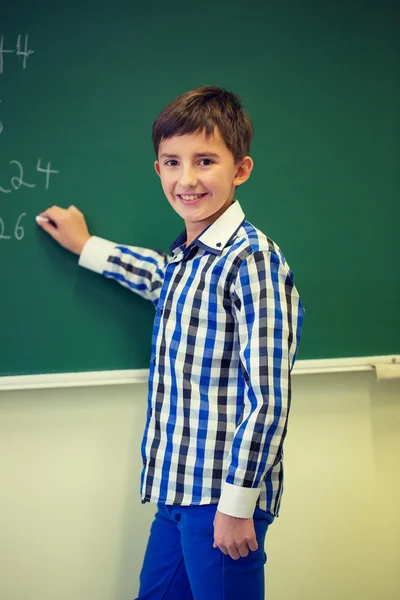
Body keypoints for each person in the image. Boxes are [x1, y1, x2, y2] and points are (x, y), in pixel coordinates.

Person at [37, 86, 304, 600]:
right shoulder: (189, 257)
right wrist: (86, 245)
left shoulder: (253, 261)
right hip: (174, 486)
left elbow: (269, 399)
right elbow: (156, 276)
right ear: (157, 168)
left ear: (240, 169)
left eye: (205, 161)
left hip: (221, 496)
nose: (187, 179)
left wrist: (238, 503)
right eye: (171, 162)